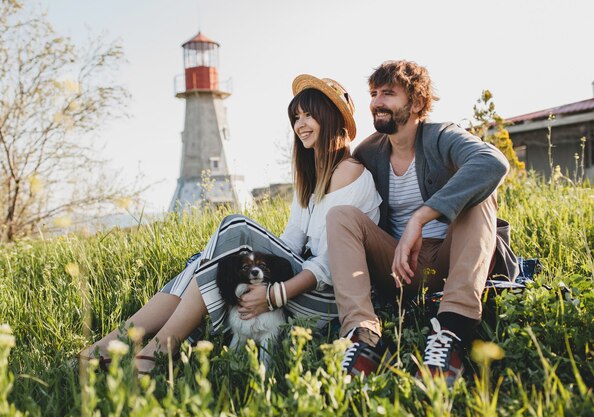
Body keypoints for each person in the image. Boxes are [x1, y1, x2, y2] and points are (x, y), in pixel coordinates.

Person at [79, 74, 382, 374]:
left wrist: (274, 294)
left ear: (330, 119)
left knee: (234, 226)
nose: (300, 124)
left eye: (309, 115)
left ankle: (150, 350)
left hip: (329, 302)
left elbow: (330, 265)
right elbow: (289, 244)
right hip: (300, 285)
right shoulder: (311, 178)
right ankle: (124, 346)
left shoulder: (349, 173)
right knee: (204, 261)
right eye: (296, 116)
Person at [326, 60, 518, 384]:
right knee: (340, 215)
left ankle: (451, 334)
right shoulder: (369, 152)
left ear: (416, 102)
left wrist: (421, 217)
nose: (376, 102)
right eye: (373, 94)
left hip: (451, 260)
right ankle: (364, 338)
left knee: (480, 196)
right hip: (400, 269)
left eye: (388, 93)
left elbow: (492, 162)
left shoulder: (442, 136)